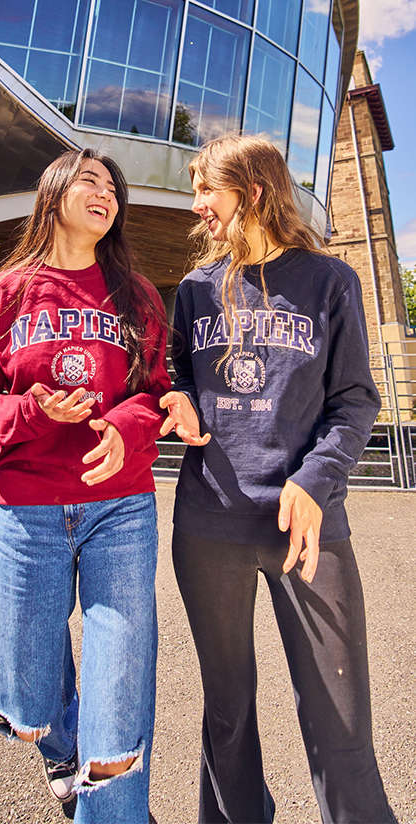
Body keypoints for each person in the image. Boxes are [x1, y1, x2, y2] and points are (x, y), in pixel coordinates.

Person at [160, 134, 397, 824]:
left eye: (208, 189)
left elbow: (355, 400)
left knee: (340, 724)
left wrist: (315, 477)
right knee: (227, 713)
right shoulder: (198, 292)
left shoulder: (330, 281)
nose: (197, 204)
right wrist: (176, 398)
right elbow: (176, 375)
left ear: (254, 191)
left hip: (307, 530)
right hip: (209, 527)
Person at [0, 148, 171, 824]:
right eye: (90, 180)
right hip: (27, 515)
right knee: (34, 701)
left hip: (122, 510)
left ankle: (111, 807)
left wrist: (125, 428)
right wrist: (33, 413)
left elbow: (157, 394)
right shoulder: (2, 294)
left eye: (113, 187)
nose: (106, 193)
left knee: (119, 690)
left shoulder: (138, 295)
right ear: (53, 193)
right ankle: (62, 749)